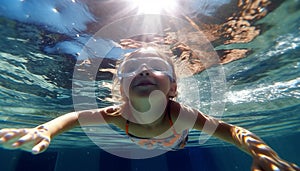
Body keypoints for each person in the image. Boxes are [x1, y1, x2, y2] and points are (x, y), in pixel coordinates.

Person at [0, 47, 299, 171]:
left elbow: (231, 131)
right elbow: (75, 117)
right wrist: (45, 130)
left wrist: (261, 153)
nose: (143, 69)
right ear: (120, 89)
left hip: (176, 140)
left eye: (156, 67)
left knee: (178, 144)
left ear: (173, 87)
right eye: (131, 69)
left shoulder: (182, 114)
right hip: (137, 137)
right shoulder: (118, 115)